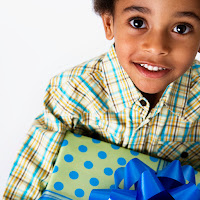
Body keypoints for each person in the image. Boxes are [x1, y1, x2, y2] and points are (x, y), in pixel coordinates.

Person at [3, 0, 200, 199]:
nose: (156, 47)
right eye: (138, 23)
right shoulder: (74, 89)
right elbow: (35, 169)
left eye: (181, 28)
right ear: (109, 24)